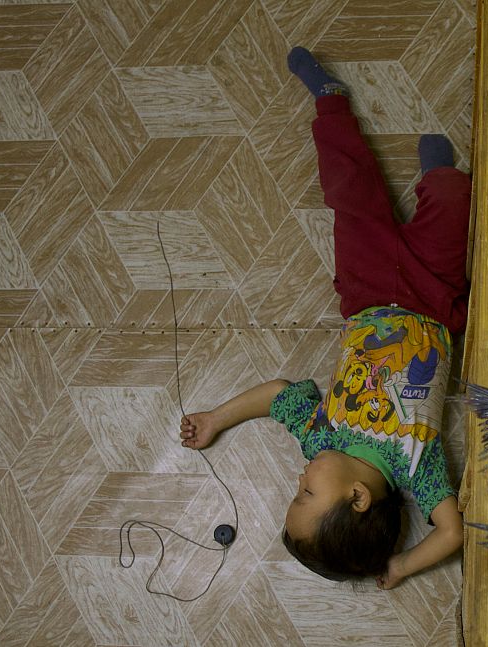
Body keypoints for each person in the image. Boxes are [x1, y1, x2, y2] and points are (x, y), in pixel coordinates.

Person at [178, 47, 471, 590]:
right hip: (435, 299)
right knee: (455, 200)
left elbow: (277, 393)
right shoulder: (417, 469)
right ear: (358, 498)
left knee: (349, 195)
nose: (300, 478)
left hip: (367, 292)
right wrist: (402, 565)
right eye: (306, 493)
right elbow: (452, 533)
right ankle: (438, 177)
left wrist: (218, 417)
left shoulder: (321, 442)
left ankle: (330, 104)